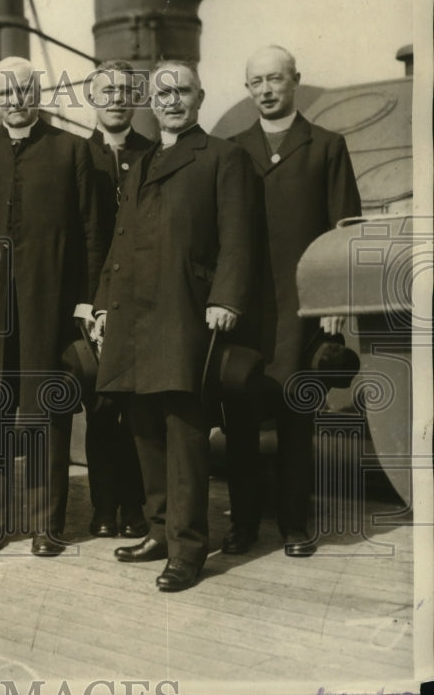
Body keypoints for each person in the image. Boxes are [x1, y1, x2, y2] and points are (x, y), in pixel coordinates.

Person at [92, 60, 258, 592]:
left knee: (184, 431)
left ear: (200, 97)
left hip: (185, 309)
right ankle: (160, 530)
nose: (170, 101)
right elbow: (120, 241)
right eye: (161, 93)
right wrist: (101, 306)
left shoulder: (223, 157)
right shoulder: (140, 161)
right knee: (143, 425)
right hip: (133, 313)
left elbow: (239, 236)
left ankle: (189, 548)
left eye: (180, 91)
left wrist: (226, 297)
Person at [0, 56, 103, 556]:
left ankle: (46, 525)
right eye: (5, 93)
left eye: (24, 91)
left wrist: (86, 303)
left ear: (37, 95)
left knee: (44, 416)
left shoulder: (71, 151)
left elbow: (91, 234)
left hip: (49, 306)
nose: (15, 100)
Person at [220, 45, 362, 558]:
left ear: (294, 80)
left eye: (275, 79)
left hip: (303, 310)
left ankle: (294, 523)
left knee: (296, 419)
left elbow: (344, 232)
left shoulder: (325, 146)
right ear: (247, 87)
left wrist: (335, 302)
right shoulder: (232, 150)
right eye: (256, 81)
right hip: (244, 309)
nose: (266, 89)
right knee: (238, 418)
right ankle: (243, 526)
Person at [82, 62, 149, 539]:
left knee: (140, 408)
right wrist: (87, 307)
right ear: (92, 98)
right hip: (91, 304)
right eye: (106, 91)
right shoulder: (76, 155)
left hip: (142, 301)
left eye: (124, 92)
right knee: (101, 407)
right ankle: (105, 508)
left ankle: (137, 507)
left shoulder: (155, 154)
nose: (116, 99)